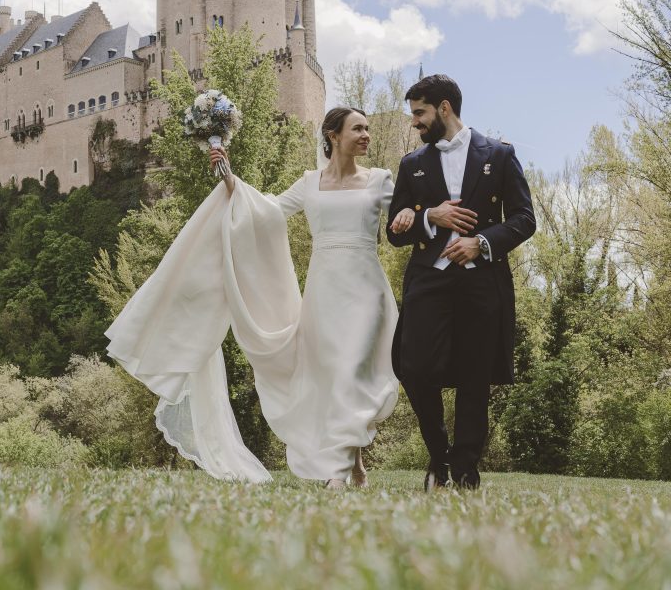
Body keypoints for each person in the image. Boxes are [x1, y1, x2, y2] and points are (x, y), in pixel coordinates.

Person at [105, 106, 415, 487]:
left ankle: (338, 468)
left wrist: (413, 216)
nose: (366, 134)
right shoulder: (309, 183)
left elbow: (408, 211)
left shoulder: (381, 179)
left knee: (354, 369)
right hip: (324, 290)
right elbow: (265, 212)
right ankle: (353, 464)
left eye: (368, 128)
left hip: (369, 291)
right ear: (333, 136)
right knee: (333, 372)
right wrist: (228, 176)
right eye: (358, 128)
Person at [386, 74, 535, 491]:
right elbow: (395, 232)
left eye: (420, 113)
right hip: (428, 280)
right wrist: (428, 217)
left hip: (481, 280)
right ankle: (439, 455)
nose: (415, 122)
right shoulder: (412, 165)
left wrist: (480, 242)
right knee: (412, 366)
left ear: (444, 108)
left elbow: (525, 219)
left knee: (475, 374)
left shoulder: (501, 156)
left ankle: (466, 468)